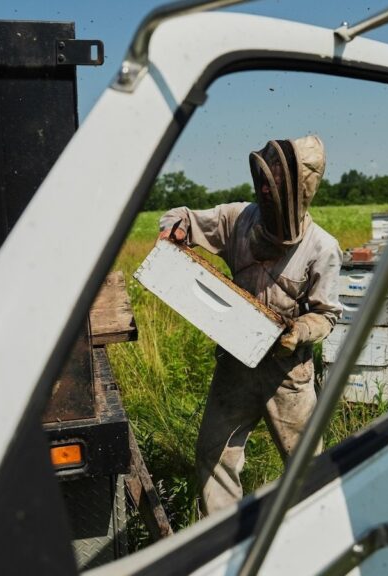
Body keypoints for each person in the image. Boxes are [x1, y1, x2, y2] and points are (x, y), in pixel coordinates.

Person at [158, 135, 342, 515]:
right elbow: (185, 218)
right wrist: (174, 225)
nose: (264, 190)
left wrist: (298, 331)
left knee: (306, 465)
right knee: (214, 452)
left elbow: (327, 315)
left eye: (273, 184)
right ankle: (224, 543)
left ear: (297, 192)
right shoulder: (236, 219)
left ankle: (314, 537)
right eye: (265, 181)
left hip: (287, 371)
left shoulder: (322, 247)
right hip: (236, 361)